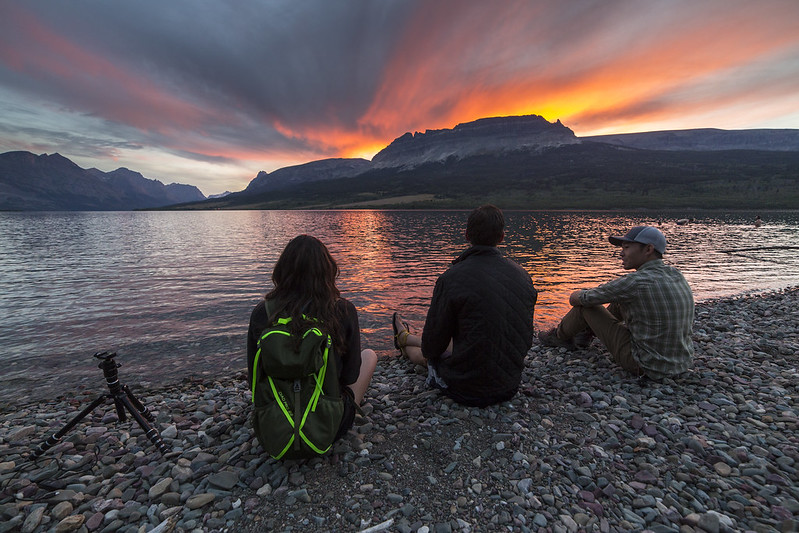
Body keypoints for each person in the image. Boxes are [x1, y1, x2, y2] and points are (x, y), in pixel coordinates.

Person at [392, 205, 538, 407]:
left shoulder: (451, 278)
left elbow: (432, 347)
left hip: (465, 388)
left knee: (427, 356)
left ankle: (404, 343)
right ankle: (405, 336)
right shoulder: (523, 275)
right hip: (510, 384)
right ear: (502, 237)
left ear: (467, 235)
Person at [247, 235, 377, 441]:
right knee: (369, 355)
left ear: (282, 271)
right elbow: (350, 377)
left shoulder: (263, 312)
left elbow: (255, 381)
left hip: (275, 430)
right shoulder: (342, 310)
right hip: (329, 425)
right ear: (328, 270)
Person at [538, 226, 695, 380]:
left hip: (646, 365)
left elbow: (579, 299)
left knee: (585, 308)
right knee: (619, 300)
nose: (621, 253)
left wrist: (577, 293)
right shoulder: (676, 274)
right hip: (681, 363)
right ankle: (585, 334)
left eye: (626, 247)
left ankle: (559, 336)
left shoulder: (635, 282)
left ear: (648, 249)